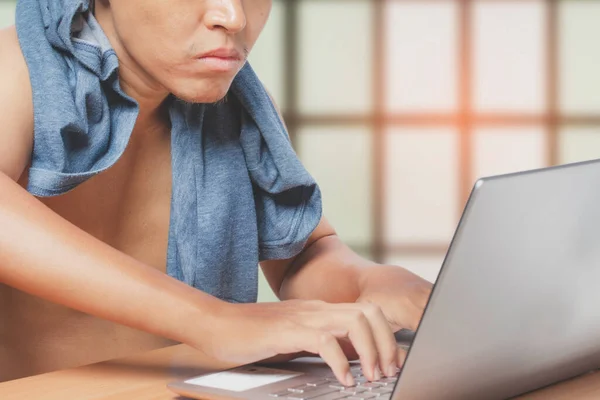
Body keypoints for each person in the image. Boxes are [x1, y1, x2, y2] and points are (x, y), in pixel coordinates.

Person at [0, 0, 432, 386]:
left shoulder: (240, 104)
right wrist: (214, 320)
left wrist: (370, 281)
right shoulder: (16, 68)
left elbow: (300, 254)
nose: (233, 16)